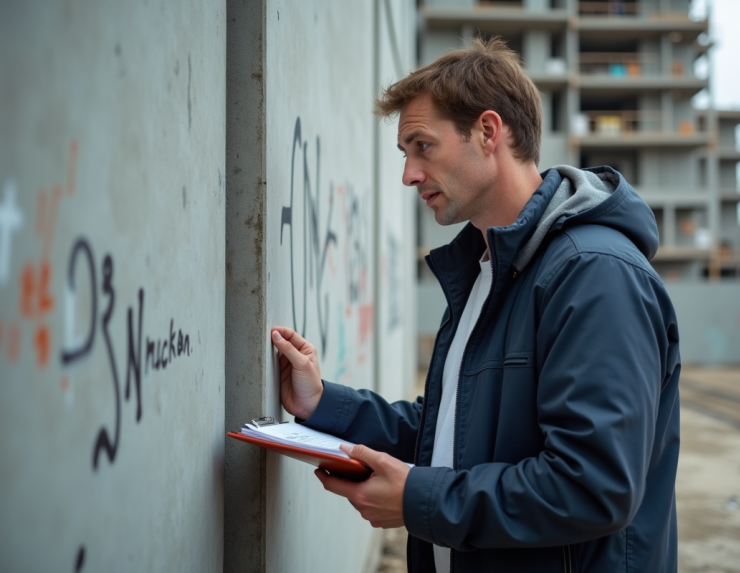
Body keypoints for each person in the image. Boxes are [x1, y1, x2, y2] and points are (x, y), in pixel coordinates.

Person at [271, 37, 681, 573]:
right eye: (405, 154)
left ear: (488, 132)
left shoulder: (594, 274)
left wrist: (419, 499)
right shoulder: (489, 267)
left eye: (423, 146)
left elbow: (593, 485)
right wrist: (323, 403)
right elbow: (452, 430)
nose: (409, 174)